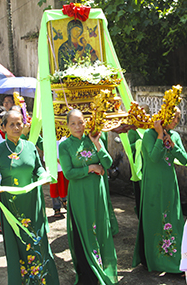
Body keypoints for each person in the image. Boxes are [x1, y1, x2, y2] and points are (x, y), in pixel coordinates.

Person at [0, 110, 59, 284]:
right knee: (16, 245)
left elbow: (38, 168)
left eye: (19, 123)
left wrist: (43, 176)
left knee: (37, 241)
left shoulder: (30, 147)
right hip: (11, 206)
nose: (16, 127)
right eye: (11, 124)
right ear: (3, 127)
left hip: (33, 203)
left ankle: (42, 280)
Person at [59, 109, 118, 285]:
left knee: (100, 228)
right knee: (85, 230)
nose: (78, 127)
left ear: (86, 122)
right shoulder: (64, 145)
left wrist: (97, 143)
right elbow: (69, 173)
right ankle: (89, 273)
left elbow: (107, 163)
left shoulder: (94, 139)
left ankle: (104, 268)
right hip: (79, 194)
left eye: (81, 122)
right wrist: (91, 168)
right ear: (67, 125)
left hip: (97, 193)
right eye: (73, 123)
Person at [133, 107, 187, 274]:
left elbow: (184, 160)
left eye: (178, 118)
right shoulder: (148, 135)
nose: (176, 121)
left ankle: (175, 259)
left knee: (174, 219)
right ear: (163, 116)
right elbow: (154, 158)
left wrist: (173, 146)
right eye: (173, 117)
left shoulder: (175, 136)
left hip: (170, 185)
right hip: (153, 186)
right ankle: (156, 261)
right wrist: (159, 135)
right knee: (155, 220)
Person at [50, 137, 69, 218]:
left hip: (64, 167)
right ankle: (56, 208)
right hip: (54, 168)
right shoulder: (49, 137)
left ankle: (65, 201)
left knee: (65, 186)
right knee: (55, 189)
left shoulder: (65, 137)